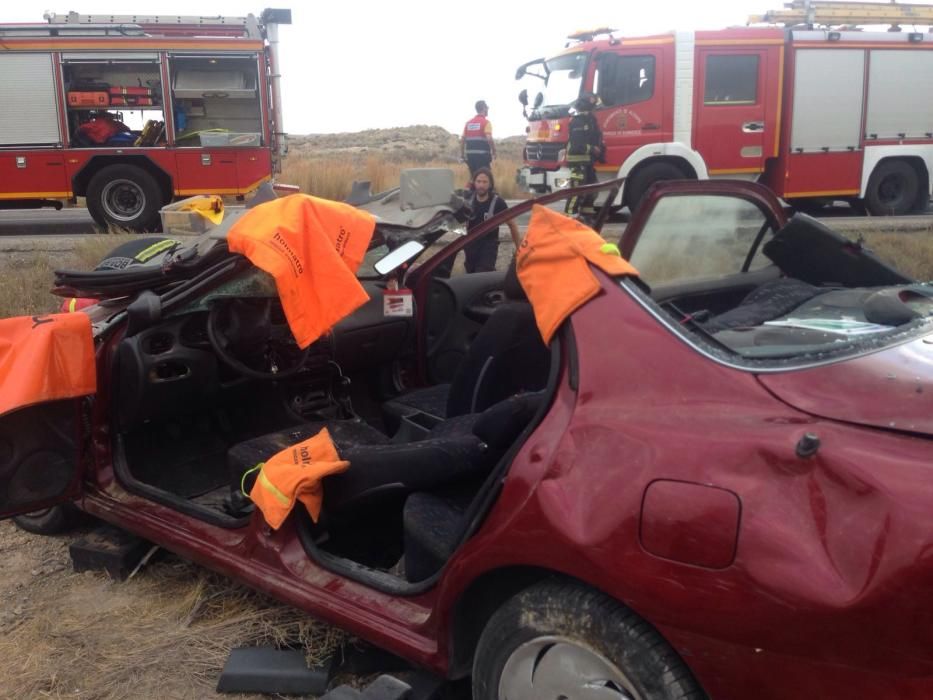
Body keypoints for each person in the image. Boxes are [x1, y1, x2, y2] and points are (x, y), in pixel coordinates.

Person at [462, 167, 521, 273]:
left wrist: (519, 249)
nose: (481, 185)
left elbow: (512, 225)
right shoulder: (468, 200)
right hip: (470, 246)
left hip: (488, 246)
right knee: (470, 276)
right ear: (474, 183)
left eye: (485, 182)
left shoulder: (498, 202)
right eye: (478, 181)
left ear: (490, 184)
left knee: (482, 275)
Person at [564, 93, 605, 219]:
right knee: (577, 191)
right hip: (578, 161)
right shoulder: (578, 122)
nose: (595, 109)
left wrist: (600, 149)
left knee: (592, 189)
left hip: (587, 161)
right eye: (593, 106)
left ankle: (587, 214)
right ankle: (570, 216)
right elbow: (577, 145)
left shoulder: (590, 120)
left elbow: (595, 138)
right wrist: (593, 149)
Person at [461, 100, 496, 176]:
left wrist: (462, 155)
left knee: (474, 177)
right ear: (483, 108)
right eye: (487, 107)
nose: (488, 109)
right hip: (482, 157)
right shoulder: (486, 122)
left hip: (470, 157)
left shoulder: (468, 123)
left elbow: (463, 140)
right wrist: (494, 151)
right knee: (485, 178)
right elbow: (489, 138)